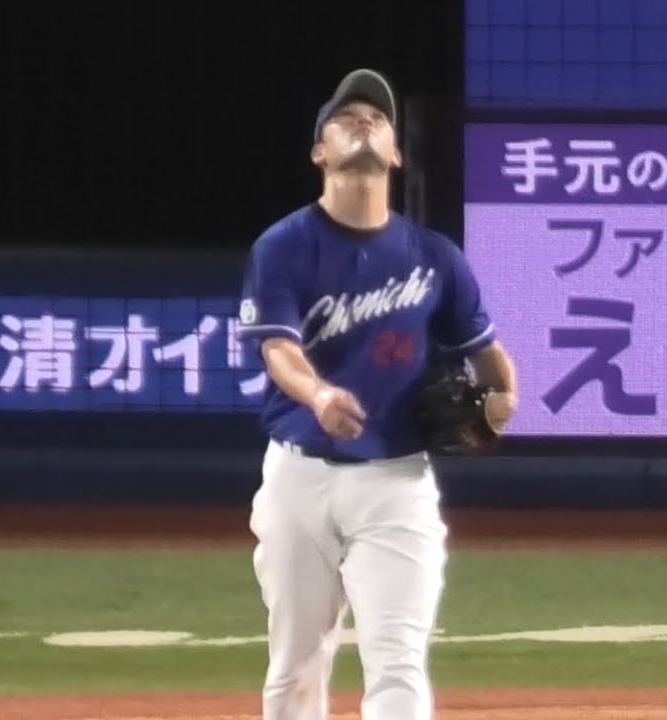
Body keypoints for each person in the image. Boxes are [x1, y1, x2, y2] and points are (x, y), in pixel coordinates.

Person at [234, 68, 518, 720]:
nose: (363, 122)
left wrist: (503, 400)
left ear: (396, 153)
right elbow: (279, 350)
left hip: (396, 482)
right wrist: (318, 396)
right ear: (319, 152)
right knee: (295, 667)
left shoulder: (435, 258)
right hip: (297, 480)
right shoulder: (284, 247)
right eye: (345, 118)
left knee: (397, 663)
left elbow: (489, 357)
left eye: (378, 118)